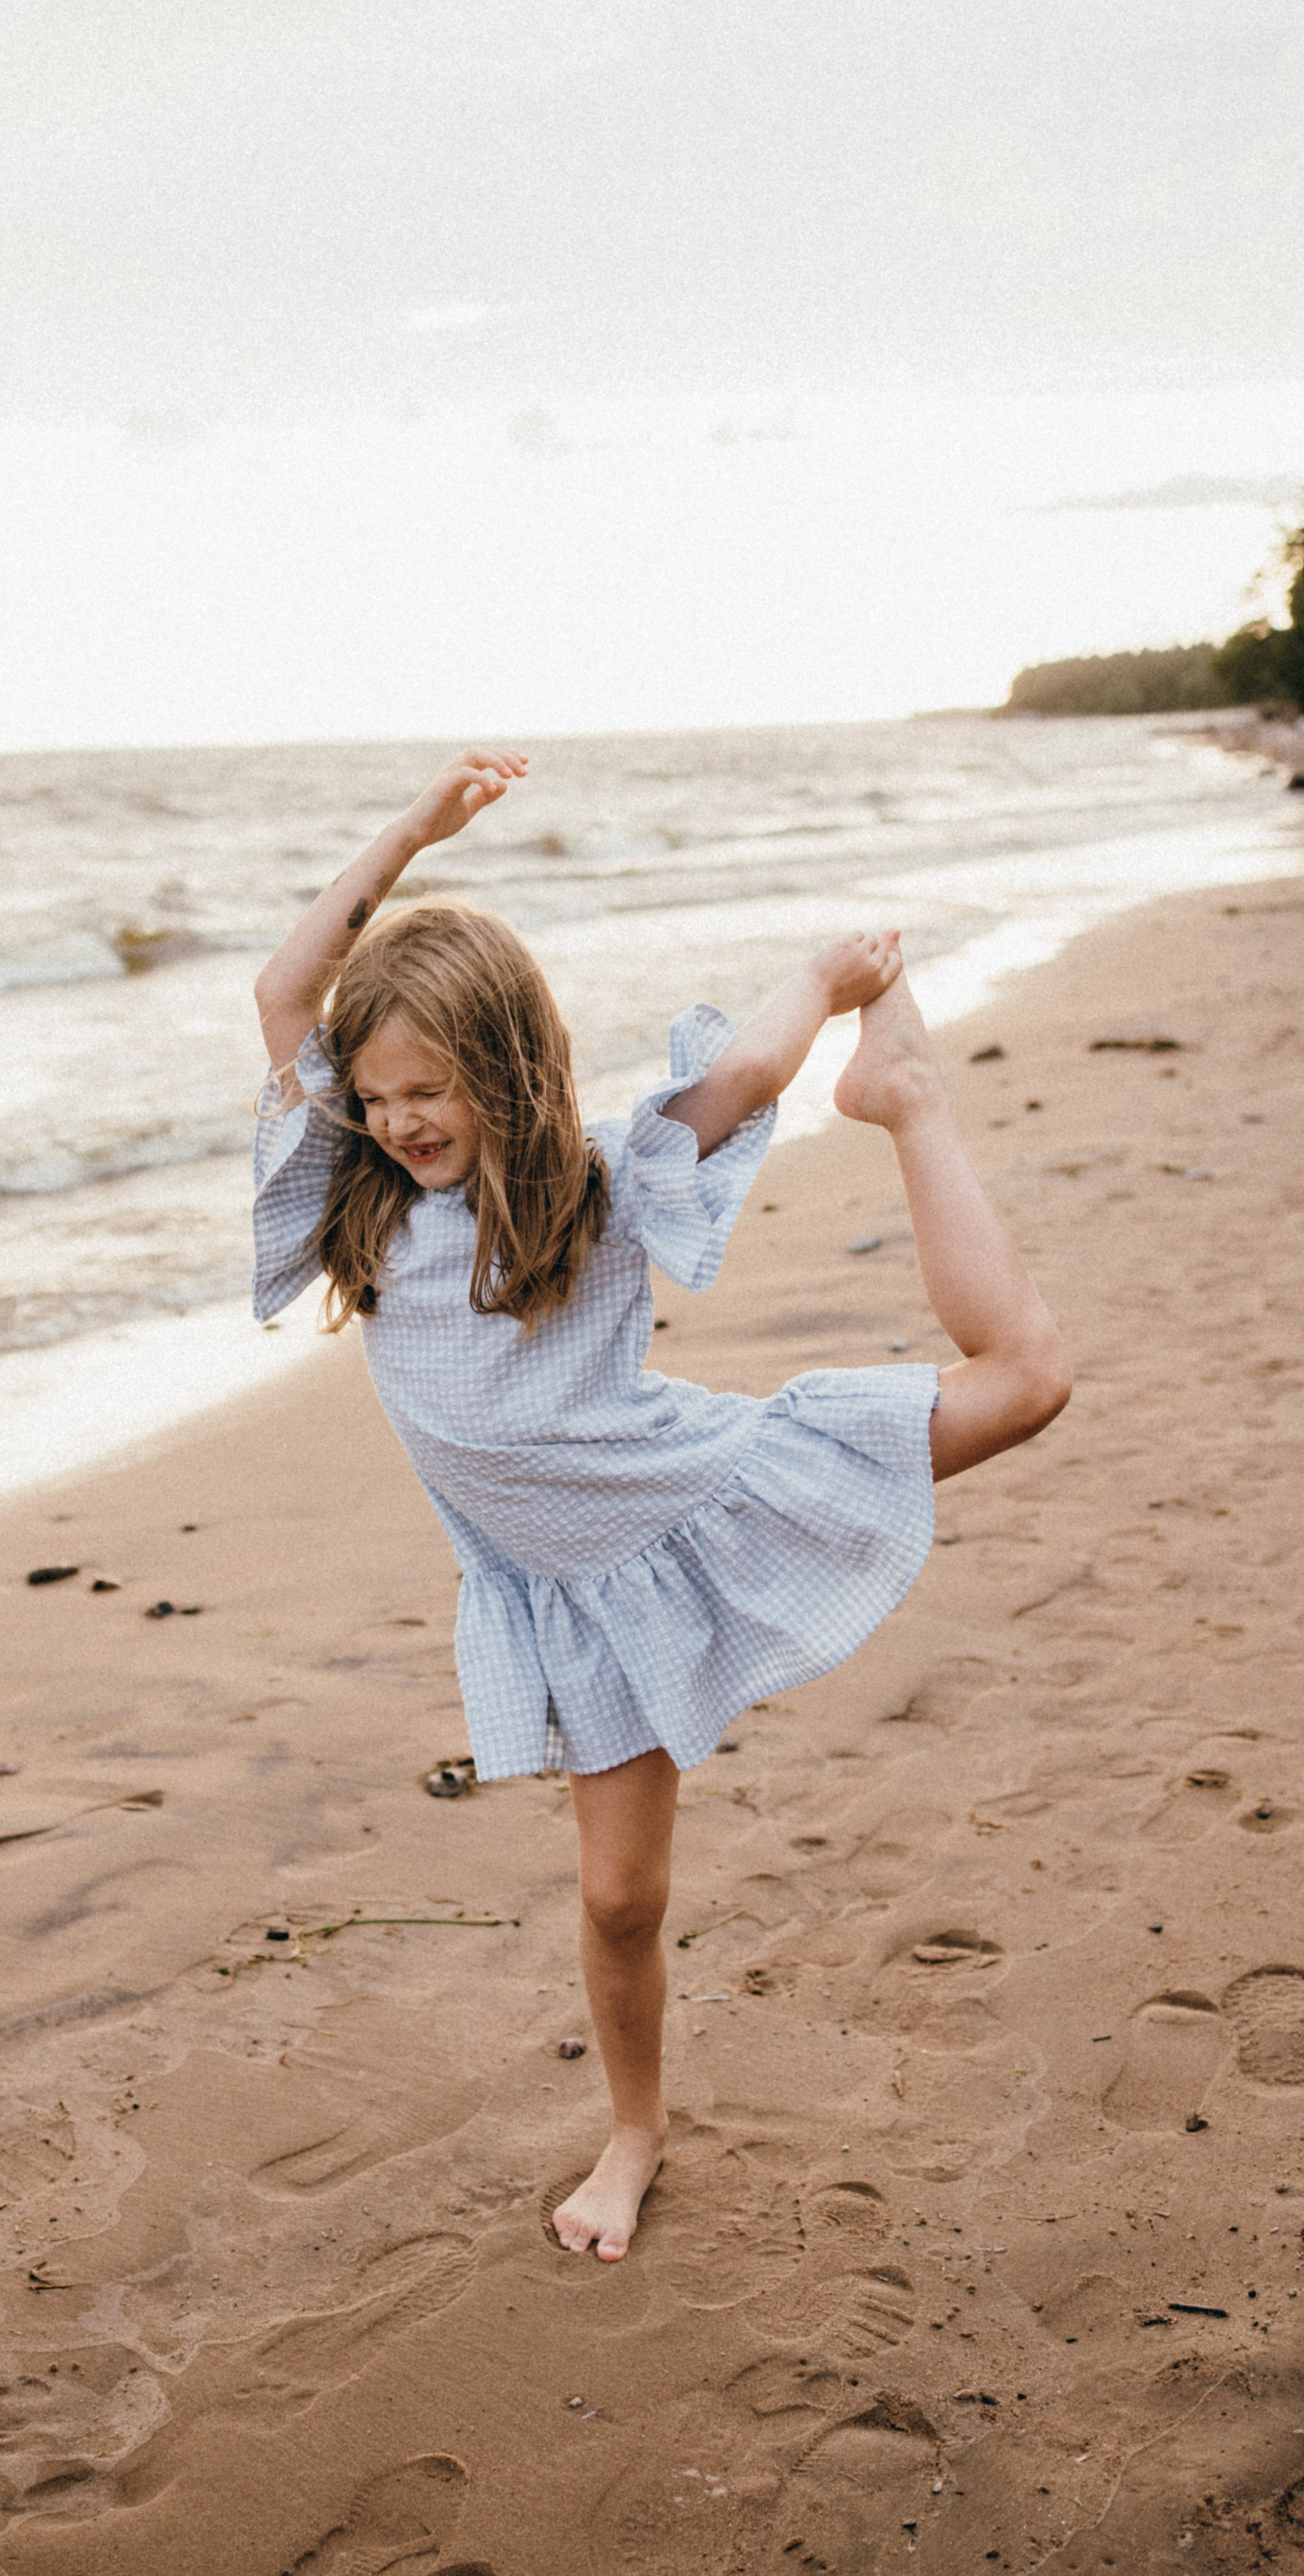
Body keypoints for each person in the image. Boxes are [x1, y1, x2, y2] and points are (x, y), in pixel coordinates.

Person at [251, 749, 1070, 2262]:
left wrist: (826, 984)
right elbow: (281, 990)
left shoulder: (598, 1185)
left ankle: (908, 1104)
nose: (398, 1120)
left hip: (703, 1495)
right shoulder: (360, 1198)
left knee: (1023, 1385)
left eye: (428, 1091)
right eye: (372, 1096)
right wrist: (413, 835)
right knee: (619, 1898)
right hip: (576, 1595)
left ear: (499, 1071)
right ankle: (635, 2131)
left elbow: (746, 1074)